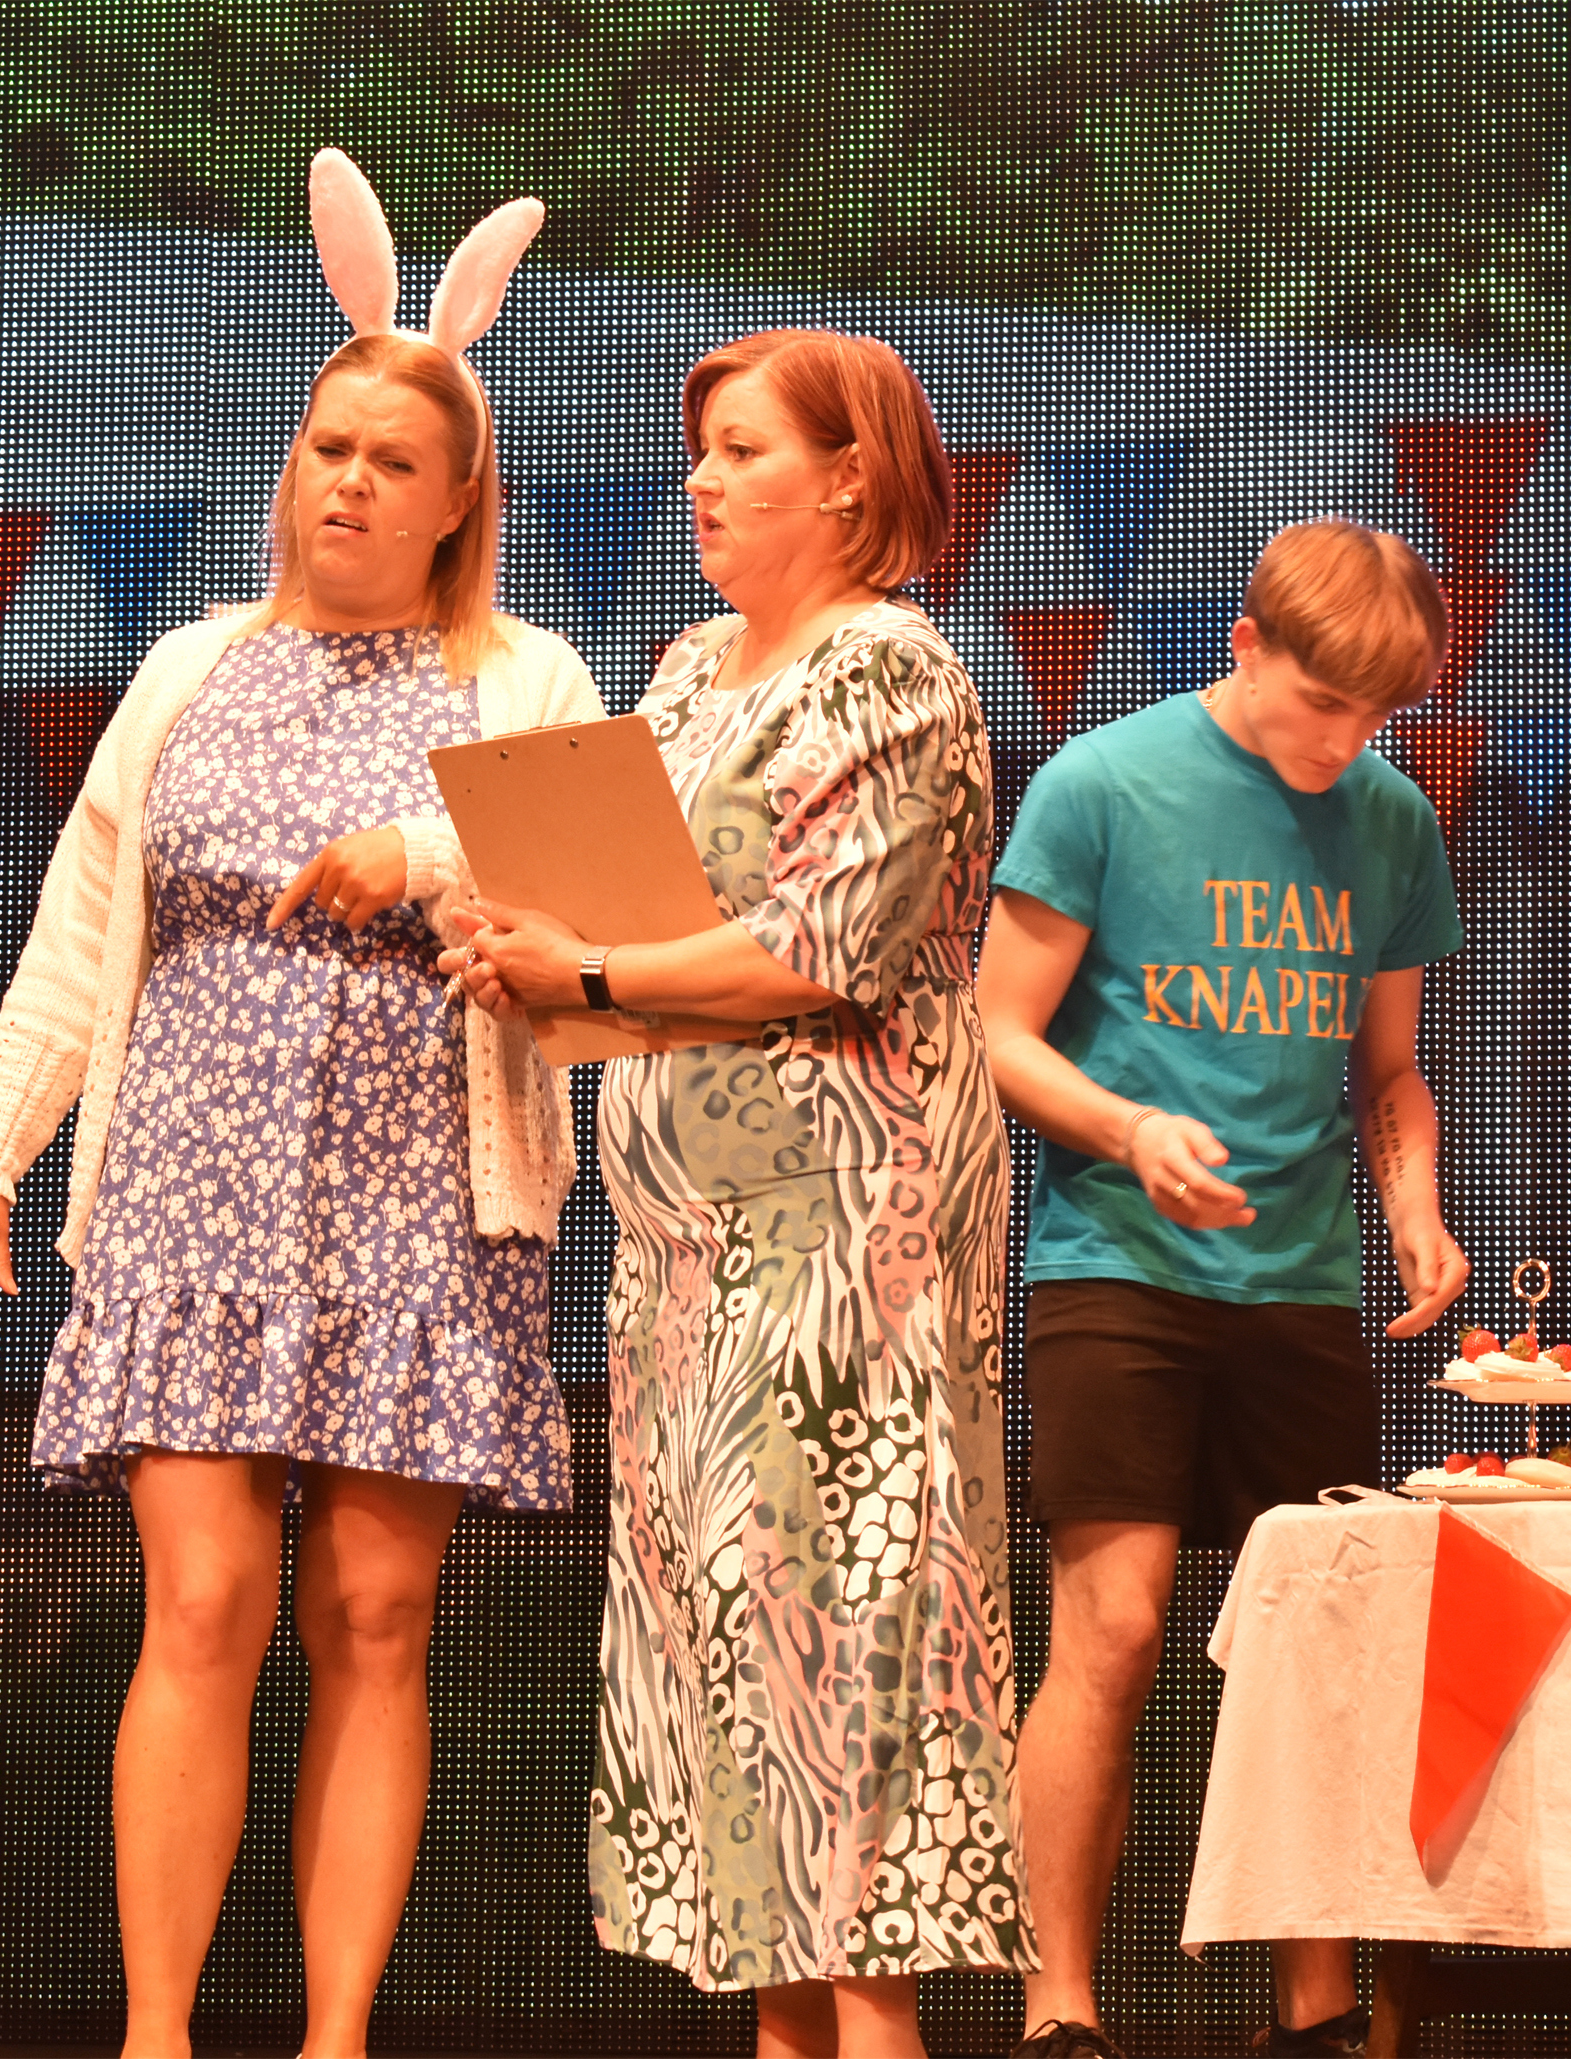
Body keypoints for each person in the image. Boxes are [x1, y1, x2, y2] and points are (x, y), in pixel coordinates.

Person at [0, 160, 602, 2059]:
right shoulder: (190, 667)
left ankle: (335, 2038)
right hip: (189, 1183)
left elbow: (610, 940)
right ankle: (158, 2033)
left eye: (395, 462)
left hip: (418, 1199)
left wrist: (435, 851)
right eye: (330, 448)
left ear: (459, 497)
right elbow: (84, 927)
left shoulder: (523, 676)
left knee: (374, 1620)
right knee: (203, 1602)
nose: (350, 485)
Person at [447, 328, 1034, 2059]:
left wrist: (591, 970)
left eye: (744, 450)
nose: (702, 480)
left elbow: (822, 947)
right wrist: (527, 942)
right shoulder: (696, 665)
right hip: (687, 1258)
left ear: (850, 478)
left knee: (842, 1656)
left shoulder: (892, 672)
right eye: (698, 449)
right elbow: (633, 905)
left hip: (846, 1247)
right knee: (735, 1675)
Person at [974, 519, 1472, 2059]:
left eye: (1376, 714)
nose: (1345, 741)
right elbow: (1001, 1034)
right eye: (1322, 702)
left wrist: (1416, 1209)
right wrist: (1131, 1129)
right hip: (1117, 1260)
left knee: (1312, 1650)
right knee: (1114, 1628)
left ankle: (1315, 2010)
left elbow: (1388, 1070)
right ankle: (1061, 2007)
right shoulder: (1101, 784)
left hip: (1301, 1281)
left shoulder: (1390, 820)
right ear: (1246, 647)